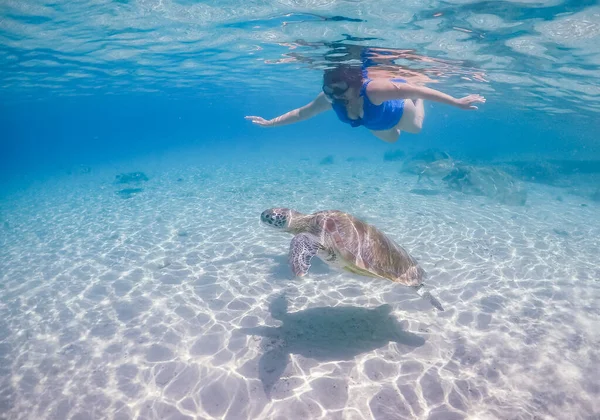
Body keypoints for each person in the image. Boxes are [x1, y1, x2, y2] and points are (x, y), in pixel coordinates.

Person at [245, 63, 486, 143]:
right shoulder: (331, 98)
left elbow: (417, 87)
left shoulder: (374, 90)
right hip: (371, 121)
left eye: (339, 89)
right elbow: (301, 113)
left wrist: (456, 102)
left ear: (356, 84)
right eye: (328, 90)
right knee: (393, 139)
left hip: (396, 109)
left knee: (416, 128)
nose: (334, 95)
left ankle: (417, 104)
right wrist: (270, 123)